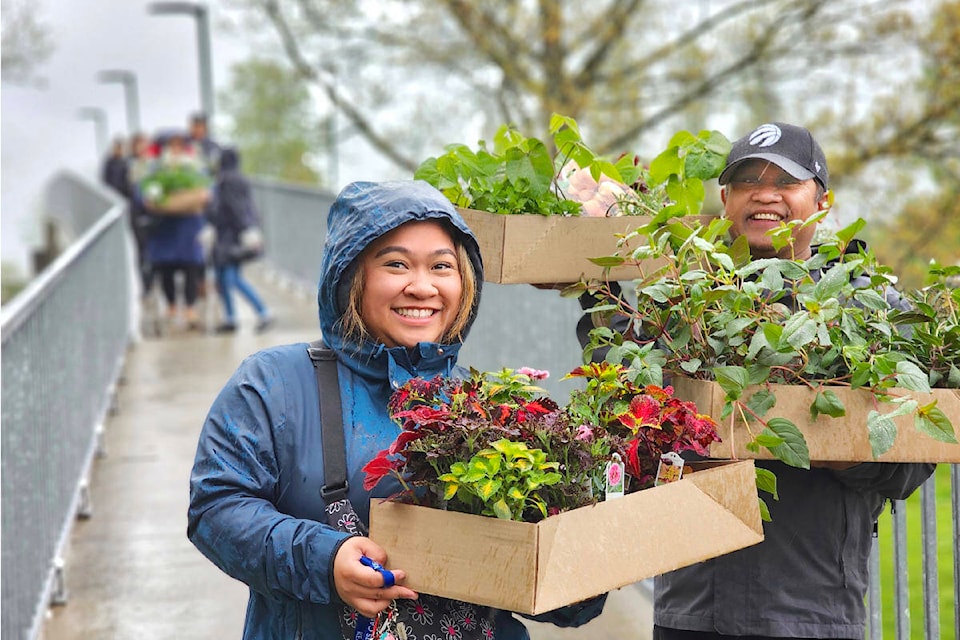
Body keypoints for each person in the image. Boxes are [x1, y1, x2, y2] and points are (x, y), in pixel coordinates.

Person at [187, 180, 606, 639]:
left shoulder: (494, 405)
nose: (422, 286)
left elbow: (562, 601)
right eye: (396, 264)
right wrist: (326, 561)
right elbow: (217, 510)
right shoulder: (274, 383)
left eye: (442, 266)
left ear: (464, 282)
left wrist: (589, 559)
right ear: (350, 276)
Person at [580, 122, 935, 639]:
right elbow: (631, 390)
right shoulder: (686, 301)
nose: (764, 194)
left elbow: (915, 460)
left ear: (823, 200)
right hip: (692, 607)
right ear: (725, 199)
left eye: (785, 180)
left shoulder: (867, 309)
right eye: (747, 181)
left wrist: (835, 441)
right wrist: (596, 286)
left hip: (811, 610)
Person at [208, 147, 272, 334]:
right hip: (232, 234)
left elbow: (233, 207)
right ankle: (231, 318)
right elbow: (247, 207)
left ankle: (262, 312)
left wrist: (244, 229)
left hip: (229, 235)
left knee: (230, 278)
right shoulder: (240, 179)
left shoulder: (225, 180)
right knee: (224, 277)